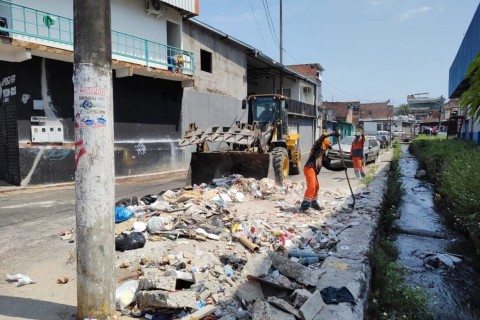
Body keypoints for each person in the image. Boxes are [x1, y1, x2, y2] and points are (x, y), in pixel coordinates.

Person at [300, 131, 340, 211]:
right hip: (309, 168)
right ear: (324, 144)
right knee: (312, 186)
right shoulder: (317, 147)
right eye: (327, 146)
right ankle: (304, 205)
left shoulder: (323, 155)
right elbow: (323, 135)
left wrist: (342, 168)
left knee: (316, 187)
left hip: (313, 171)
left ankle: (313, 203)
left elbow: (329, 166)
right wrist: (333, 133)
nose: (327, 149)